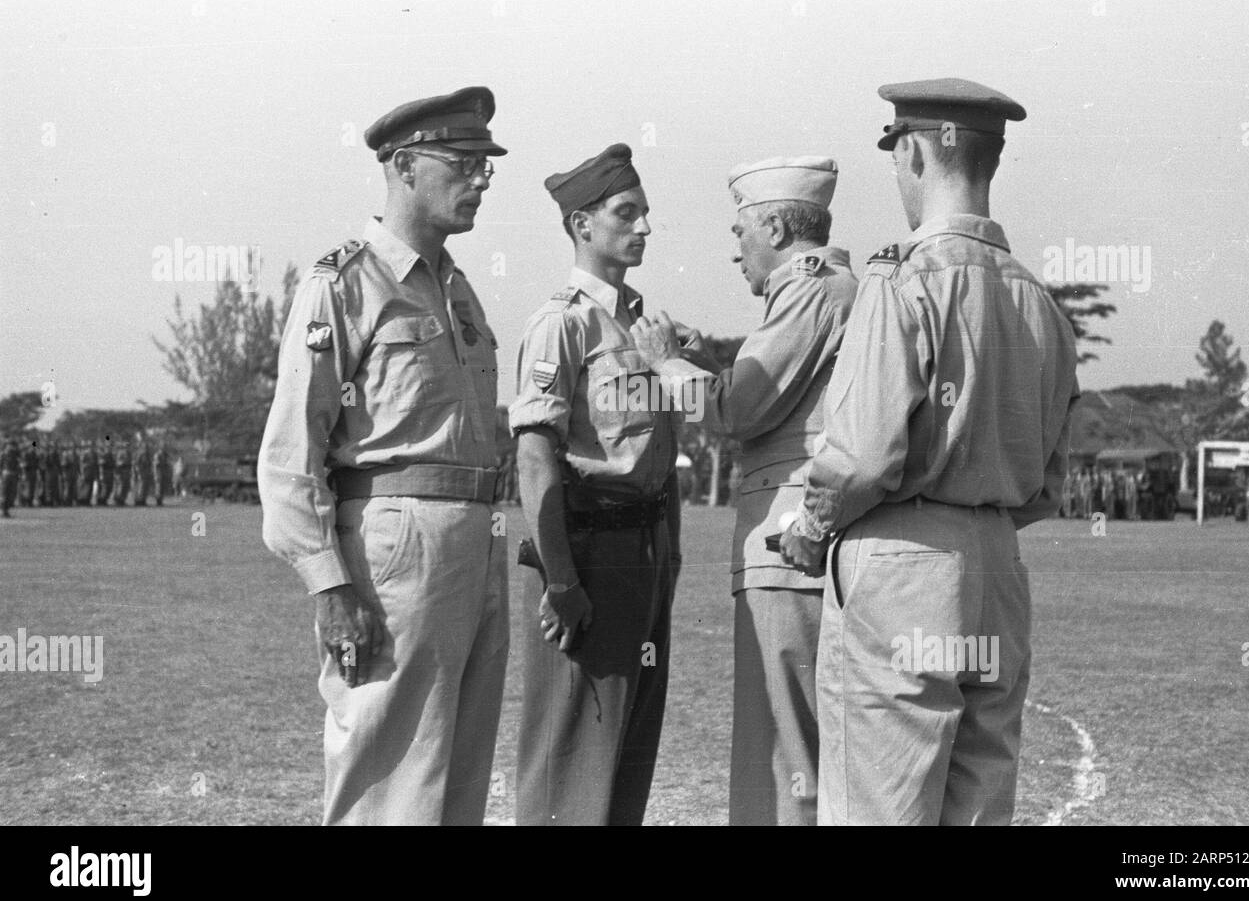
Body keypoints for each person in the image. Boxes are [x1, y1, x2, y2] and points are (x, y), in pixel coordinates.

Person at [780, 78, 1080, 825]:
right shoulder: (1038, 301)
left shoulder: (901, 278)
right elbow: (1048, 481)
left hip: (903, 560)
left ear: (913, 151)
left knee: (878, 806)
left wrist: (810, 529)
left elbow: (861, 458)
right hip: (997, 564)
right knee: (976, 806)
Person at [258, 86, 510, 825]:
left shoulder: (458, 291)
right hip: (395, 543)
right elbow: (289, 453)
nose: (482, 178)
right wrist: (328, 585)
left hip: (478, 535)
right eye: (464, 162)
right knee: (387, 775)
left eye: (486, 164)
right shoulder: (345, 283)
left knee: (457, 776)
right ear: (403, 165)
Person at [631, 156, 858, 825]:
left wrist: (664, 364)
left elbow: (737, 412)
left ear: (779, 227)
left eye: (742, 234)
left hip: (786, 552)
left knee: (783, 763)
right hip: (799, 546)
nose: (737, 253)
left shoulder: (813, 290)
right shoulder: (824, 291)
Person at [509, 143, 682, 825]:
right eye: (626, 213)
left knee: (625, 758)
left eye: (644, 213)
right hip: (588, 554)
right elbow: (534, 458)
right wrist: (561, 580)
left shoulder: (641, 324)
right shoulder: (563, 322)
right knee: (571, 764)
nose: (643, 228)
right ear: (582, 225)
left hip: (644, 552)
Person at [1, 437, 19, 518]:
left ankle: (6, 510)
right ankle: (4, 511)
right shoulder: (3, 454)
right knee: (5, 493)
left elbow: (17, 465)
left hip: (13, 474)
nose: (11, 447)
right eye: (10, 445)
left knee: (12, 493)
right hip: (6, 474)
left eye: (12, 445)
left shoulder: (15, 454)